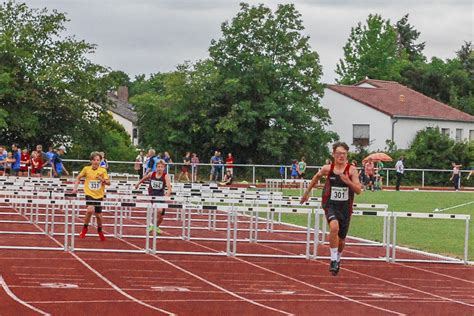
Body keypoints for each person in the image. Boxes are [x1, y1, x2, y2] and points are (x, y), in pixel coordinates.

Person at [300, 142, 362, 276]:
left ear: (347, 155)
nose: (341, 156)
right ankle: (333, 260)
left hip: (345, 208)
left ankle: (338, 258)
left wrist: (348, 181)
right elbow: (316, 177)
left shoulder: (351, 170)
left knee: (341, 240)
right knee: (334, 227)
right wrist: (307, 193)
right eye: (338, 153)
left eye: (344, 154)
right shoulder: (328, 168)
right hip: (330, 205)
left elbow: (358, 190)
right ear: (333, 154)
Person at [72, 151, 110, 241]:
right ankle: (85, 228)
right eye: (94, 160)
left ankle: (100, 230)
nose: (96, 162)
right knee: (90, 210)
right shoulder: (86, 169)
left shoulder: (103, 170)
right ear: (91, 161)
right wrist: (75, 188)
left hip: (99, 195)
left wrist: (102, 180)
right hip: (89, 193)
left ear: (100, 161)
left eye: (98, 160)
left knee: (98, 216)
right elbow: (78, 177)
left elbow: (108, 183)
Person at [134, 159, 172, 234]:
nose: (160, 168)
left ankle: (155, 227)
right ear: (156, 167)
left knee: (161, 217)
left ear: (164, 168)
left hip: (161, 196)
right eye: (158, 167)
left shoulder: (166, 176)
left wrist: (167, 195)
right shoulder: (152, 174)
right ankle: (151, 225)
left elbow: (169, 187)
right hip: (153, 195)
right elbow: (144, 178)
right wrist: (138, 183)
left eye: (161, 167)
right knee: (159, 210)